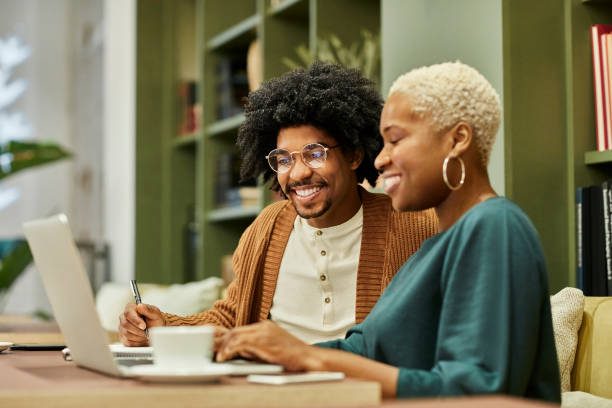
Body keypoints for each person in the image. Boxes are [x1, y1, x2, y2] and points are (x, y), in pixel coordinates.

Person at [213, 62, 561, 402]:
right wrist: (257, 348)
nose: (380, 160)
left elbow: (478, 393)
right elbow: (360, 350)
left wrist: (310, 358)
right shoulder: (431, 251)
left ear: (457, 140)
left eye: (395, 140)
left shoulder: (494, 225)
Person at [119, 62, 438, 346]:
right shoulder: (266, 228)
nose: (298, 173)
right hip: (272, 389)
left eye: (315, 154)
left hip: (362, 390)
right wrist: (164, 326)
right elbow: (233, 317)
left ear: (354, 156)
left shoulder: (414, 226)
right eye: (283, 159)